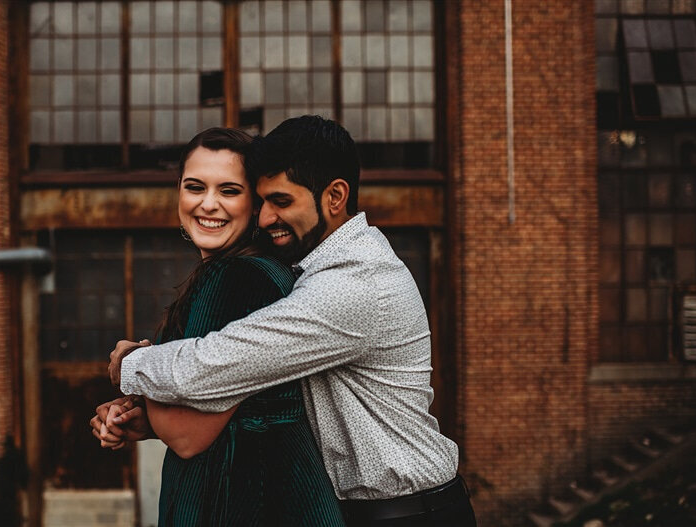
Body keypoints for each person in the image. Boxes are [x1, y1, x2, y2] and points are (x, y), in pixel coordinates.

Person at [102, 115, 478, 526]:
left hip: (408, 515)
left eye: (281, 201)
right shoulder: (311, 269)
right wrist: (151, 416)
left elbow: (213, 365)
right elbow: (251, 396)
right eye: (261, 202)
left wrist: (130, 362)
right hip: (377, 511)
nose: (265, 218)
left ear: (335, 197)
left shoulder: (351, 287)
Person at [91, 127, 345, 526]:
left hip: (245, 505)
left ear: (255, 203)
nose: (208, 204)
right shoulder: (251, 272)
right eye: (195, 187)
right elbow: (226, 412)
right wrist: (139, 414)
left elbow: (188, 436)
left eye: (229, 191)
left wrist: (136, 365)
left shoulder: (238, 277)